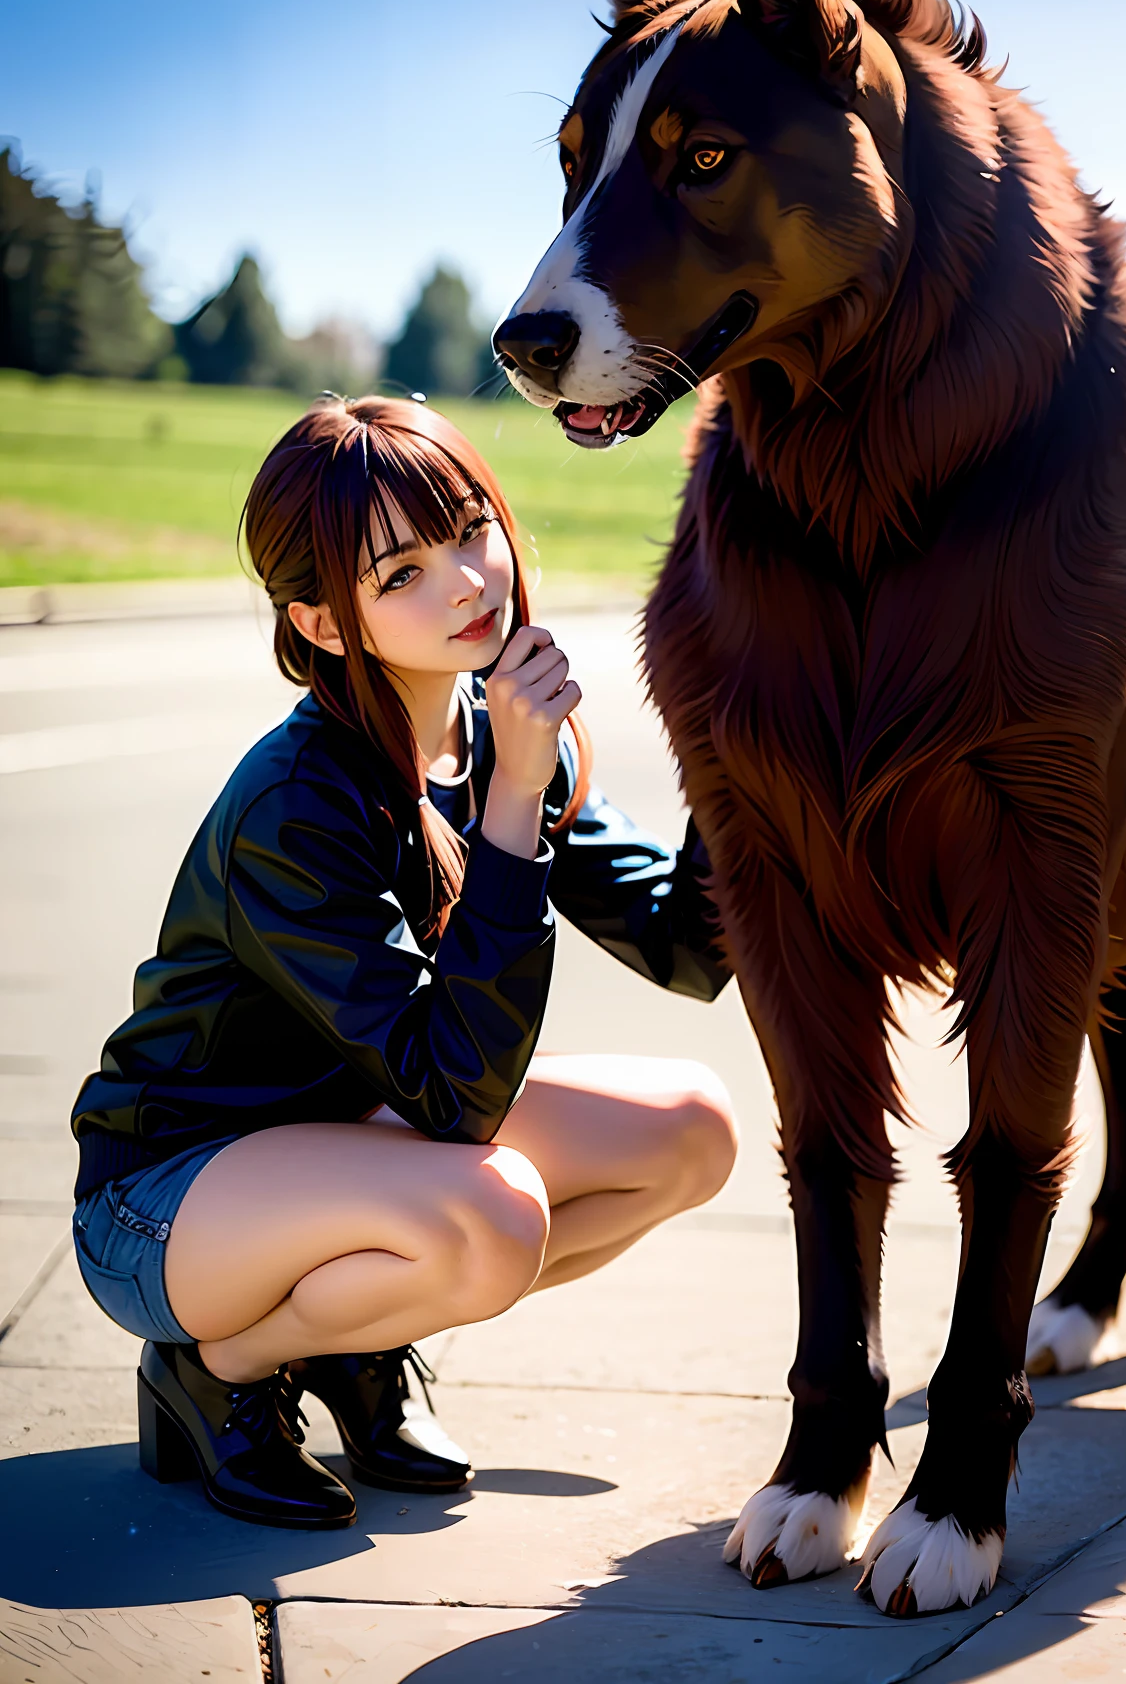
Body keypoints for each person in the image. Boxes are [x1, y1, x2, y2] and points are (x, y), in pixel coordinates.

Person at [68, 395, 737, 1530]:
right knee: (497, 1219)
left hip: (368, 1145)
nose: (470, 580)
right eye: (403, 574)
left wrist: (739, 718)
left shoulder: (487, 728)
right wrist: (518, 804)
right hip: (167, 1197)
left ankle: (352, 1340)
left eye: (471, 527)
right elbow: (455, 1092)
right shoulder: (299, 802)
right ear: (325, 623)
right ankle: (221, 1366)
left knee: (693, 1128)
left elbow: (687, 939)